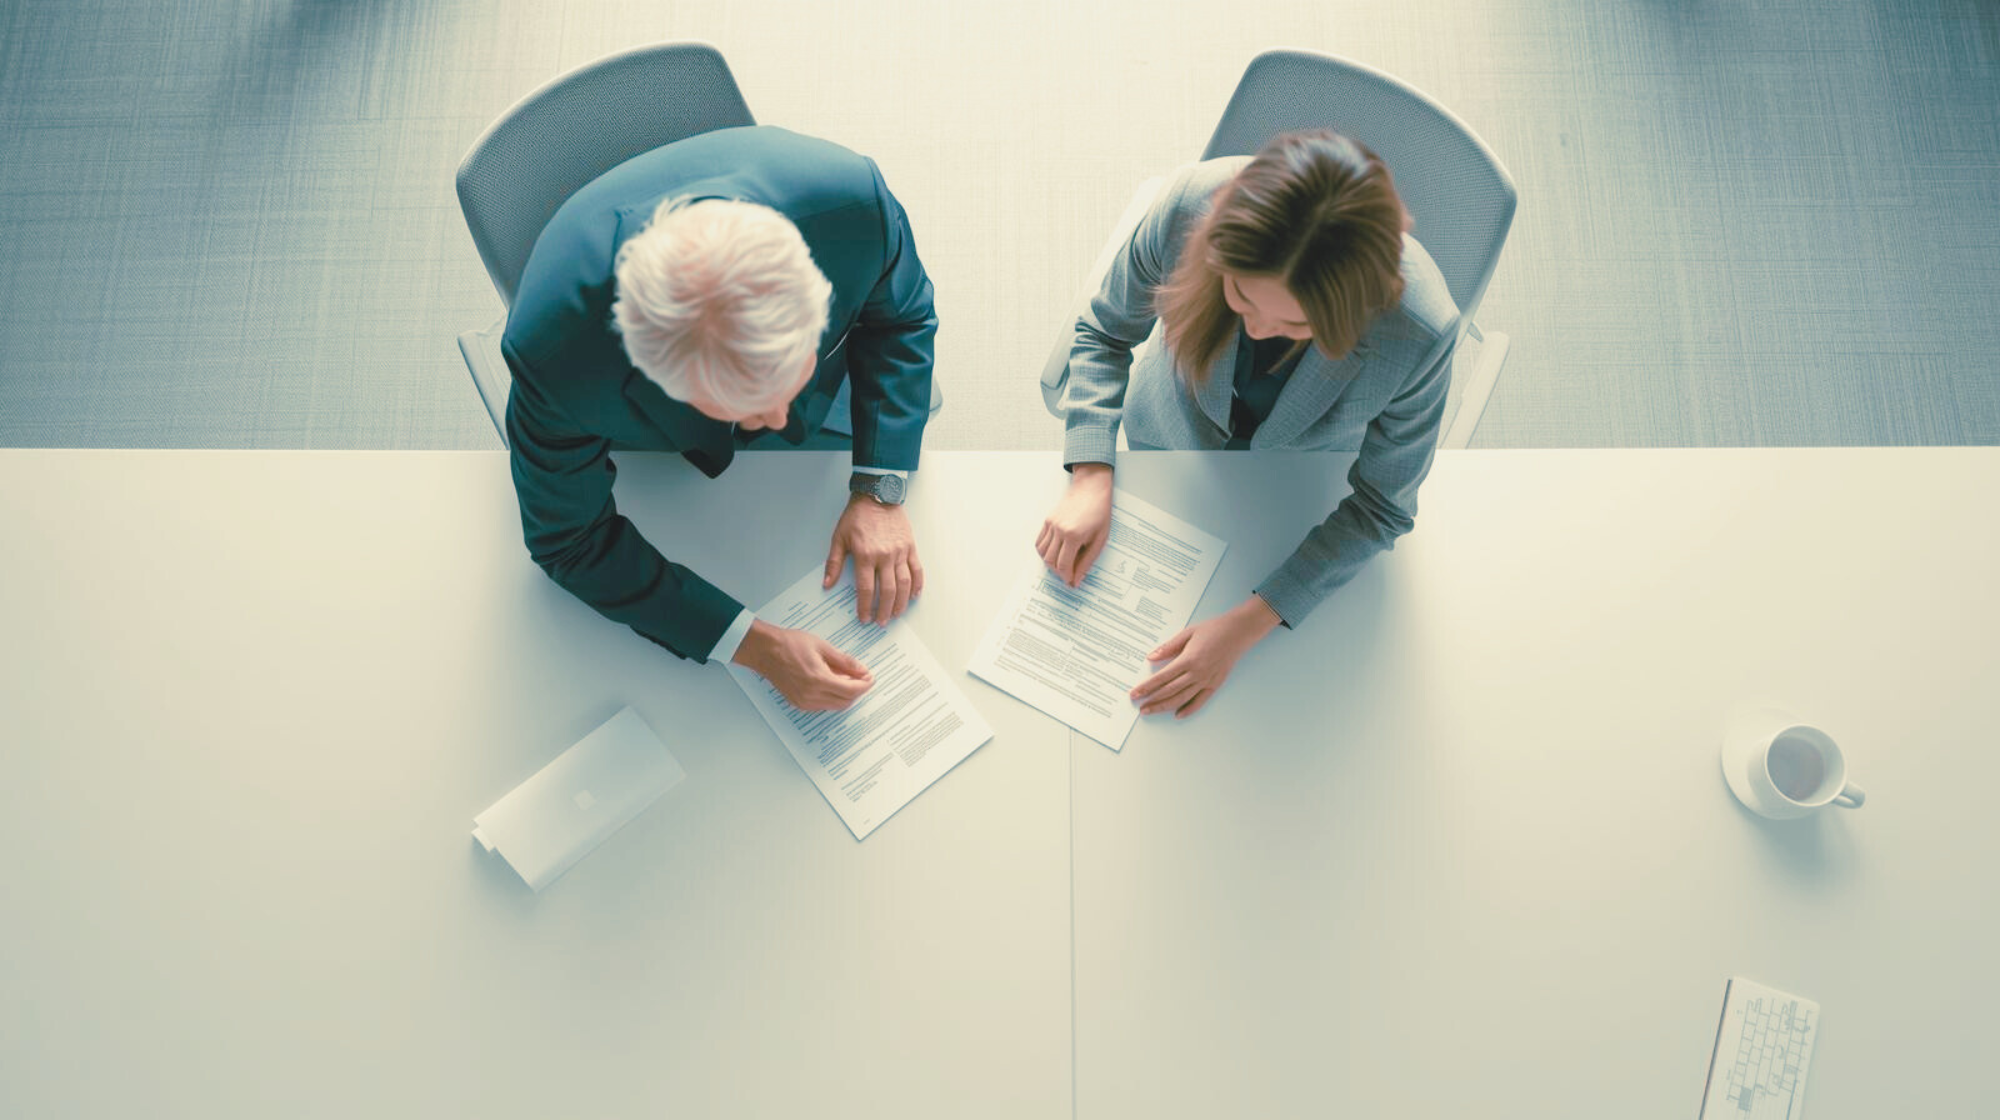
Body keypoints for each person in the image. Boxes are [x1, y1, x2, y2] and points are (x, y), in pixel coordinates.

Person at [503, 126, 935, 712]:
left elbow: (903, 317)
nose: (778, 421)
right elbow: (570, 541)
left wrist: (880, 488)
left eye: (792, 373)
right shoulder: (556, 360)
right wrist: (757, 646)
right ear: (662, 375)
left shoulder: (854, 205)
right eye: (746, 406)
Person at [1038, 129, 1460, 720]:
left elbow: (1382, 508)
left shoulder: (1419, 332)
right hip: (1164, 444)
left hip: (1296, 492)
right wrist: (1089, 474)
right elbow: (1105, 333)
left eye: (1296, 323)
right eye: (1242, 295)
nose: (1259, 329)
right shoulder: (1186, 208)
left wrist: (1246, 626)